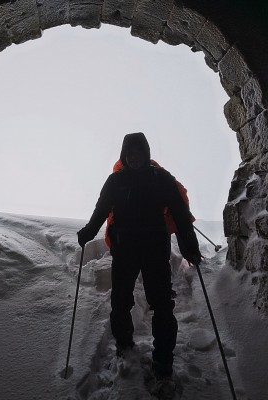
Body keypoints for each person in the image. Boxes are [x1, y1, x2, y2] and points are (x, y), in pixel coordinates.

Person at [77, 132, 201, 379]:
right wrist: (88, 231)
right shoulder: (115, 181)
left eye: (139, 153)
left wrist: (189, 246)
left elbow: (179, 213)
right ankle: (124, 345)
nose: (134, 158)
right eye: (130, 154)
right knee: (120, 302)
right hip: (126, 250)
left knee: (162, 305)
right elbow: (101, 209)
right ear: (124, 155)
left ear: (146, 154)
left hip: (154, 250)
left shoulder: (160, 178)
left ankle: (163, 359)